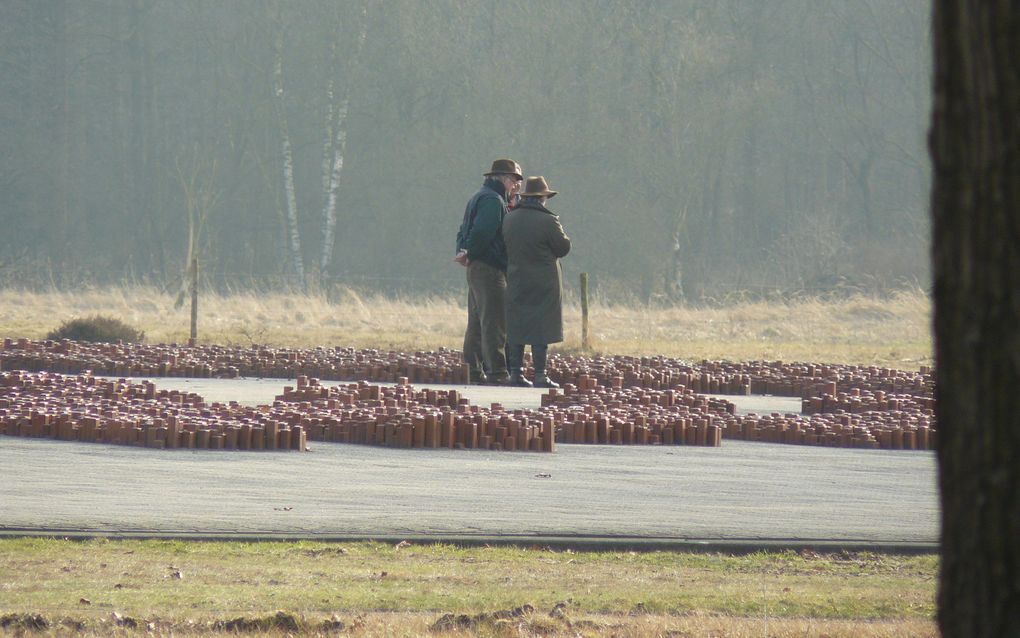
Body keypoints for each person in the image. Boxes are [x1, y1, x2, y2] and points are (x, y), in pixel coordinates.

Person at [454, 158, 524, 385]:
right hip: (489, 267)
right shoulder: (493, 201)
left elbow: (463, 230)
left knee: (476, 322)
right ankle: (497, 373)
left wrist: (464, 252)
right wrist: (472, 252)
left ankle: (472, 371)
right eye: (514, 180)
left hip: (476, 266)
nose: (515, 185)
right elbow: (483, 232)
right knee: (494, 322)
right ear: (504, 178)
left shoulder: (479, 196)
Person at [503, 176, 570, 388]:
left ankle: (515, 373)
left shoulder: (510, 219)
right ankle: (540, 374)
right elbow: (563, 248)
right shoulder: (549, 221)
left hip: (516, 278)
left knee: (517, 326)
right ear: (542, 198)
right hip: (543, 281)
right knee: (541, 327)